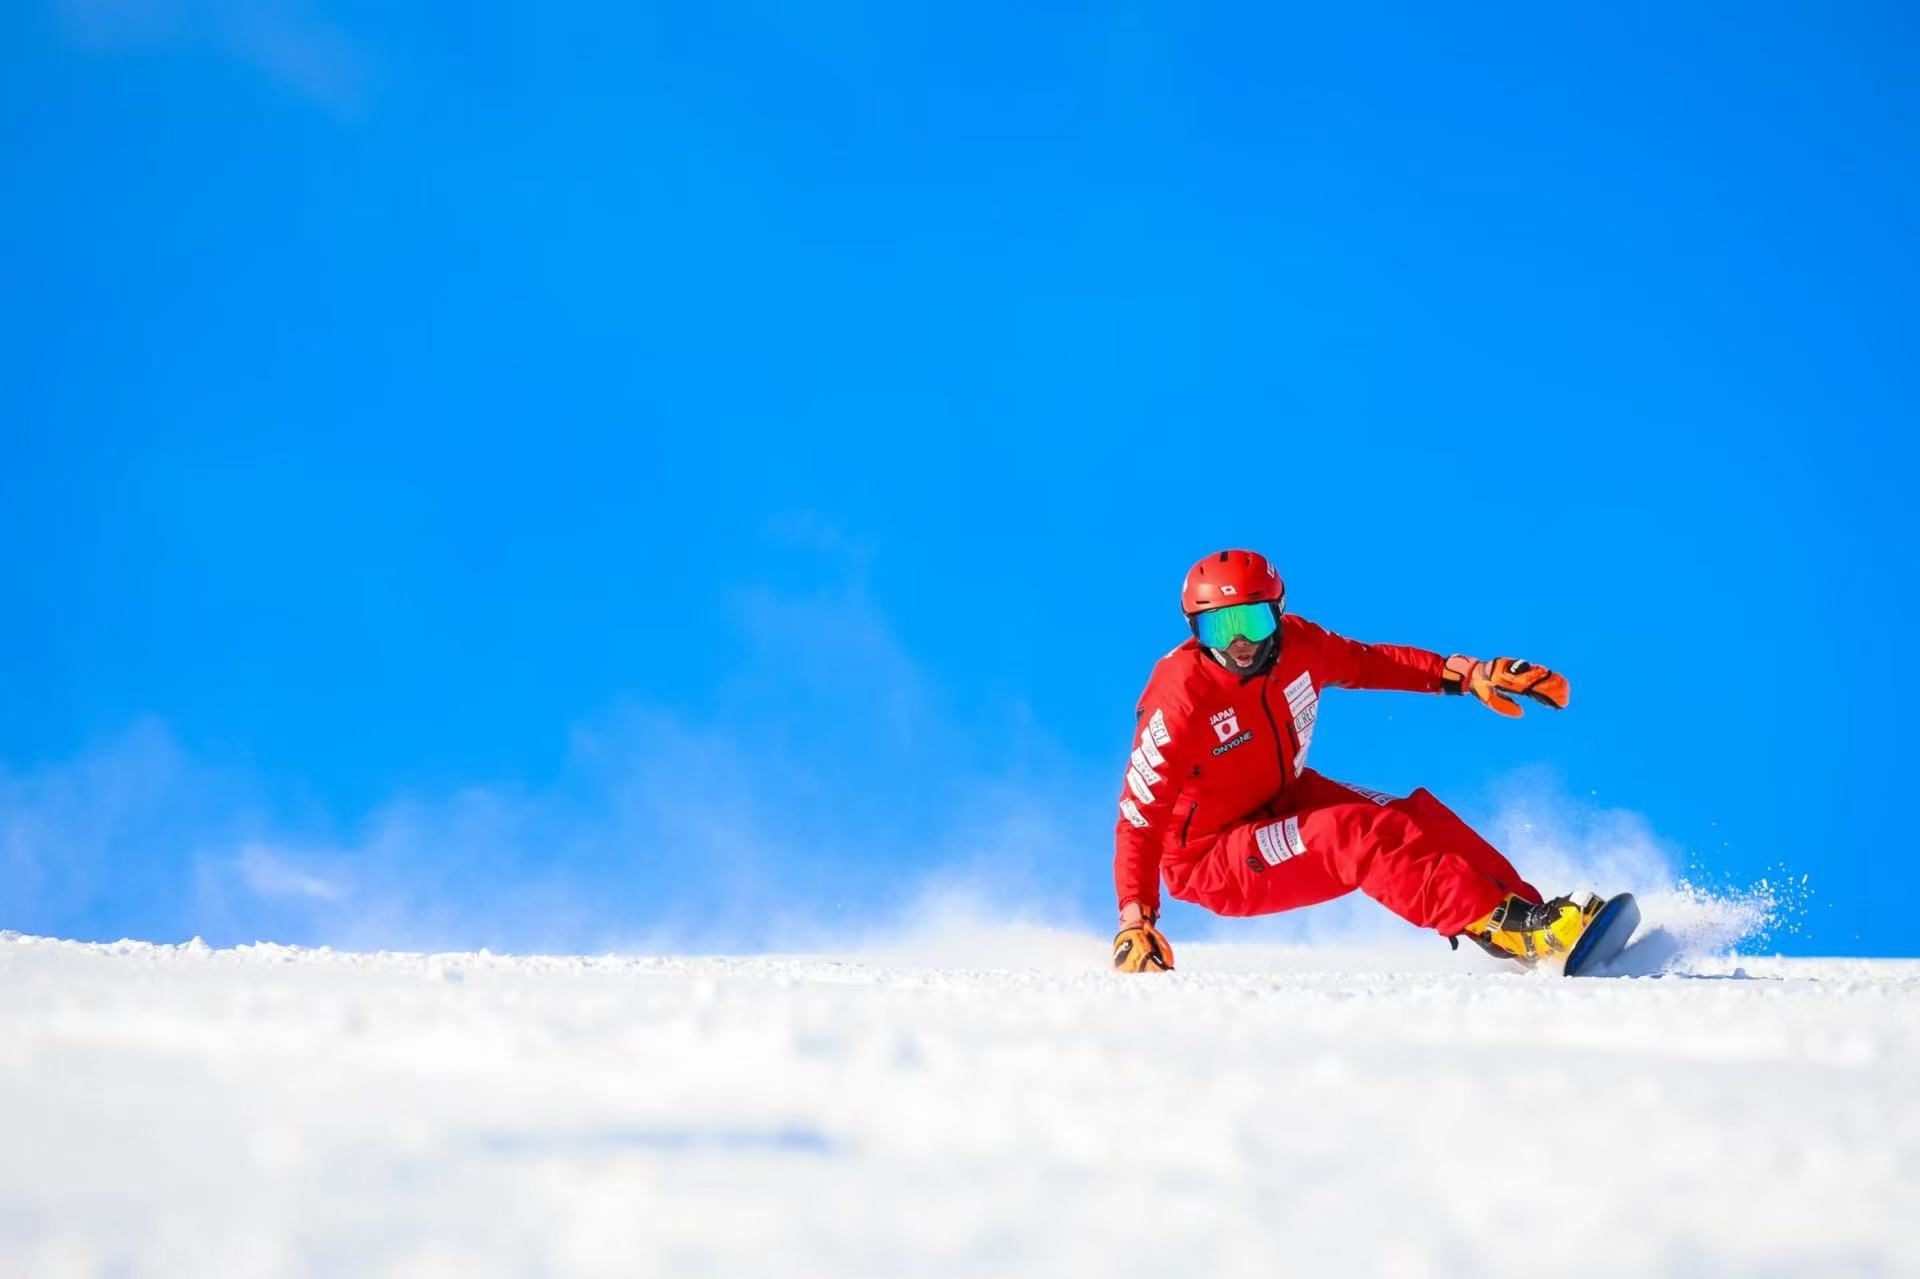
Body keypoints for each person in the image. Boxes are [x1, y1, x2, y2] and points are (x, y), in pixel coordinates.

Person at [1111, 548, 1602, 974]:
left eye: (1253, 622)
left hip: (1286, 797)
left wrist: (1469, 674)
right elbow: (1139, 814)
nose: (1239, 643)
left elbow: (1370, 662)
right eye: (1219, 628)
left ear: (1278, 613)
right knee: (1353, 833)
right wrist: (1136, 918)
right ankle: (1501, 923)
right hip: (1213, 857)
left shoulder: (1301, 645)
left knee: (1413, 818)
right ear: (1195, 629)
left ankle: (1530, 916)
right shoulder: (1179, 695)